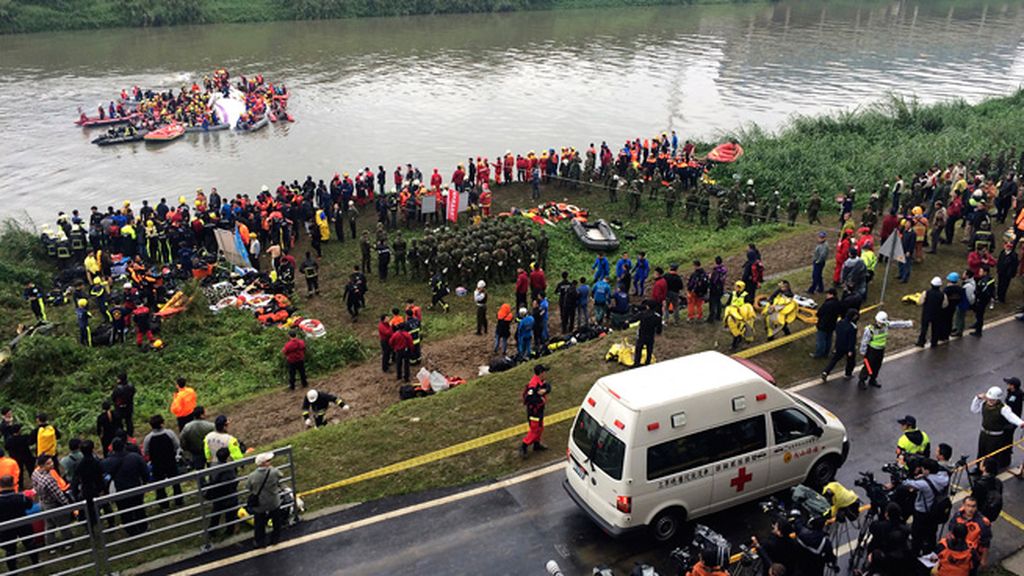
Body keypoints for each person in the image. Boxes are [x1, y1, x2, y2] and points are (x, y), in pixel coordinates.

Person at [890, 457, 948, 555]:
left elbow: (907, 483)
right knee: (931, 533)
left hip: (922, 512)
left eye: (923, 468)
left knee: (917, 535)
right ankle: (930, 551)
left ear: (927, 470)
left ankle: (915, 553)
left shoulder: (923, 484)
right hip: (935, 511)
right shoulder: (943, 477)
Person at [970, 385, 1024, 471]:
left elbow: (1012, 417)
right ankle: (978, 467)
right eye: (989, 398)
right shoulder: (984, 404)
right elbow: (974, 409)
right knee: (981, 452)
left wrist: (1021, 423)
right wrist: (977, 398)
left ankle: (989, 471)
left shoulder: (1003, 408)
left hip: (995, 437)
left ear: (997, 399)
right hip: (984, 434)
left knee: (991, 455)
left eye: (992, 400)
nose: (990, 401)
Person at [858, 311, 911, 389]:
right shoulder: (870, 329)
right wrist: (863, 351)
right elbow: (865, 341)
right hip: (872, 350)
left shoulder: (886, 325)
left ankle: (872, 379)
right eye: (879, 322)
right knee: (868, 366)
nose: (881, 324)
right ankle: (862, 380)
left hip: (880, 350)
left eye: (882, 322)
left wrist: (908, 323)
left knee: (877, 366)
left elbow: (897, 324)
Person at [246, 452, 286, 548]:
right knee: (276, 521)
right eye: (268, 461)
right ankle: (275, 539)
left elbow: (248, 487)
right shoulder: (274, 472)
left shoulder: (252, 476)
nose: (270, 462)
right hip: (273, 501)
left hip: (259, 503)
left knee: (259, 524)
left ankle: (260, 542)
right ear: (264, 463)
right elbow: (281, 475)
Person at [143, 414, 183, 508]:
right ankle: (179, 501)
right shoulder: (169, 433)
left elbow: (145, 452)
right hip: (170, 461)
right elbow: (177, 445)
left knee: (159, 486)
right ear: (162, 423)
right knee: (175, 482)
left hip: (157, 464)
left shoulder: (148, 438)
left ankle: (164, 505)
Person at [0, 474, 37, 571]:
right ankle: (35, 563)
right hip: (22, 523)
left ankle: (12, 570)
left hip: (5, 527)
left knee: (10, 549)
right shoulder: (21, 497)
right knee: (30, 543)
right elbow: (29, 505)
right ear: (13, 484)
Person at [204, 447, 239, 538]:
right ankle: (229, 530)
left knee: (216, 512)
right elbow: (233, 481)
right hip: (229, 494)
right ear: (227, 457)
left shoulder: (213, 466)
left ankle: (212, 531)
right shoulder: (230, 469)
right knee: (230, 513)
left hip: (217, 493)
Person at [947, 496, 993, 567]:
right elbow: (951, 530)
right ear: (963, 506)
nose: (970, 509)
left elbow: (986, 543)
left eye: (973, 506)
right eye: (968, 506)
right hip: (956, 549)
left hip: (971, 554)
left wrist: (983, 559)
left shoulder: (982, 523)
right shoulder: (957, 515)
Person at [520, 365, 551, 458]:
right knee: (534, 430)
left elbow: (548, 387)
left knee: (540, 428)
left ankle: (536, 444)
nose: (546, 373)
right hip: (534, 411)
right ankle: (524, 446)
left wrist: (544, 390)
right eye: (545, 372)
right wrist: (540, 400)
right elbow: (529, 399)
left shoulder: (541, 381)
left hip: (540, 410)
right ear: (541, 373)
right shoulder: (533, 385)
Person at [180, 406, 215, 470]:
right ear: (201, 415)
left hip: (195, 452)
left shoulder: (187, 427)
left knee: (199, 472)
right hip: (209, 451)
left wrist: (188, 449)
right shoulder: (210, 426)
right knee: (212, 469)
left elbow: (182, 441)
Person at [971, 457, 1003, 522]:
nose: (980, 463)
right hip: (990, 514)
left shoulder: (980, 484)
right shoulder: (998, 482)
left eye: (982, 463)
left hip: (979, 514)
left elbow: (973, 501)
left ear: (984, 468)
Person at [917, 276, 946, 348]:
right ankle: (934, 342)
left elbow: (920, 302)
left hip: (927, 313)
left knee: (924, 328)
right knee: (935, 328)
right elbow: (945, 305)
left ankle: (921, 341)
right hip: (937, 314)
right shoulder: (943, 294)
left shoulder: (926, 293)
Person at [634, 300, 662, 367]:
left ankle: (637, 363)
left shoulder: (642, 314)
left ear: (647, 307)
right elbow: (659, 327)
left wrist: (626, 322)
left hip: (642, 334)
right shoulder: (657, 316)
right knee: (649, 350)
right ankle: (647, 362)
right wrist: (658, 332)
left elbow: (634, 319)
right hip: (650, 335)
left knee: (638, 349)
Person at [111, 372, 136, 437]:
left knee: (119, 422)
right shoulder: (130, 386)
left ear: (120, 379)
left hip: (119, 408)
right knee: (129, 421)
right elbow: (133, 393)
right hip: (129, 406)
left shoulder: (117, 389)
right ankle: (130, 434)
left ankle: (122, 435)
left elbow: (113, 398)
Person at [707, 256, 727, 324]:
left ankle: (711, 318)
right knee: (719, 302)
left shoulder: (716, 271)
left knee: (712, 303)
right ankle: (718, 316)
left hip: (714, 288)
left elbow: (713, 281)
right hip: (721, 287)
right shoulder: (724, 270)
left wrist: (709, 277)